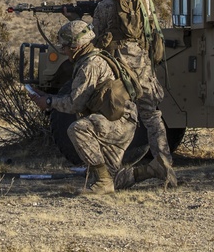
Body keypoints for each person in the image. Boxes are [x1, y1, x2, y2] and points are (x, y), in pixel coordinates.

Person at [66, 0, 177, 188]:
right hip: (143, 63)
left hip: (121, 67)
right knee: (152, 117)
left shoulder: (106, 5)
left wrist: (76, 20)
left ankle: (107, 171)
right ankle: (166, 167)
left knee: (114, 114)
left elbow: (93, 36)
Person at [27, 20, 138, 195]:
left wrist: (48, 102)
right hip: (120, 121)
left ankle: (103, 182)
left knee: (78, 129)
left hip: (117, 123)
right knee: (115, 176)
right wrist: (48, 97)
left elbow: (74, 104)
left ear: (75, 46)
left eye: (65, 46)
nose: (63, 50)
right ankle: (153, 171)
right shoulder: (95, 57)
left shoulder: (90, 65)